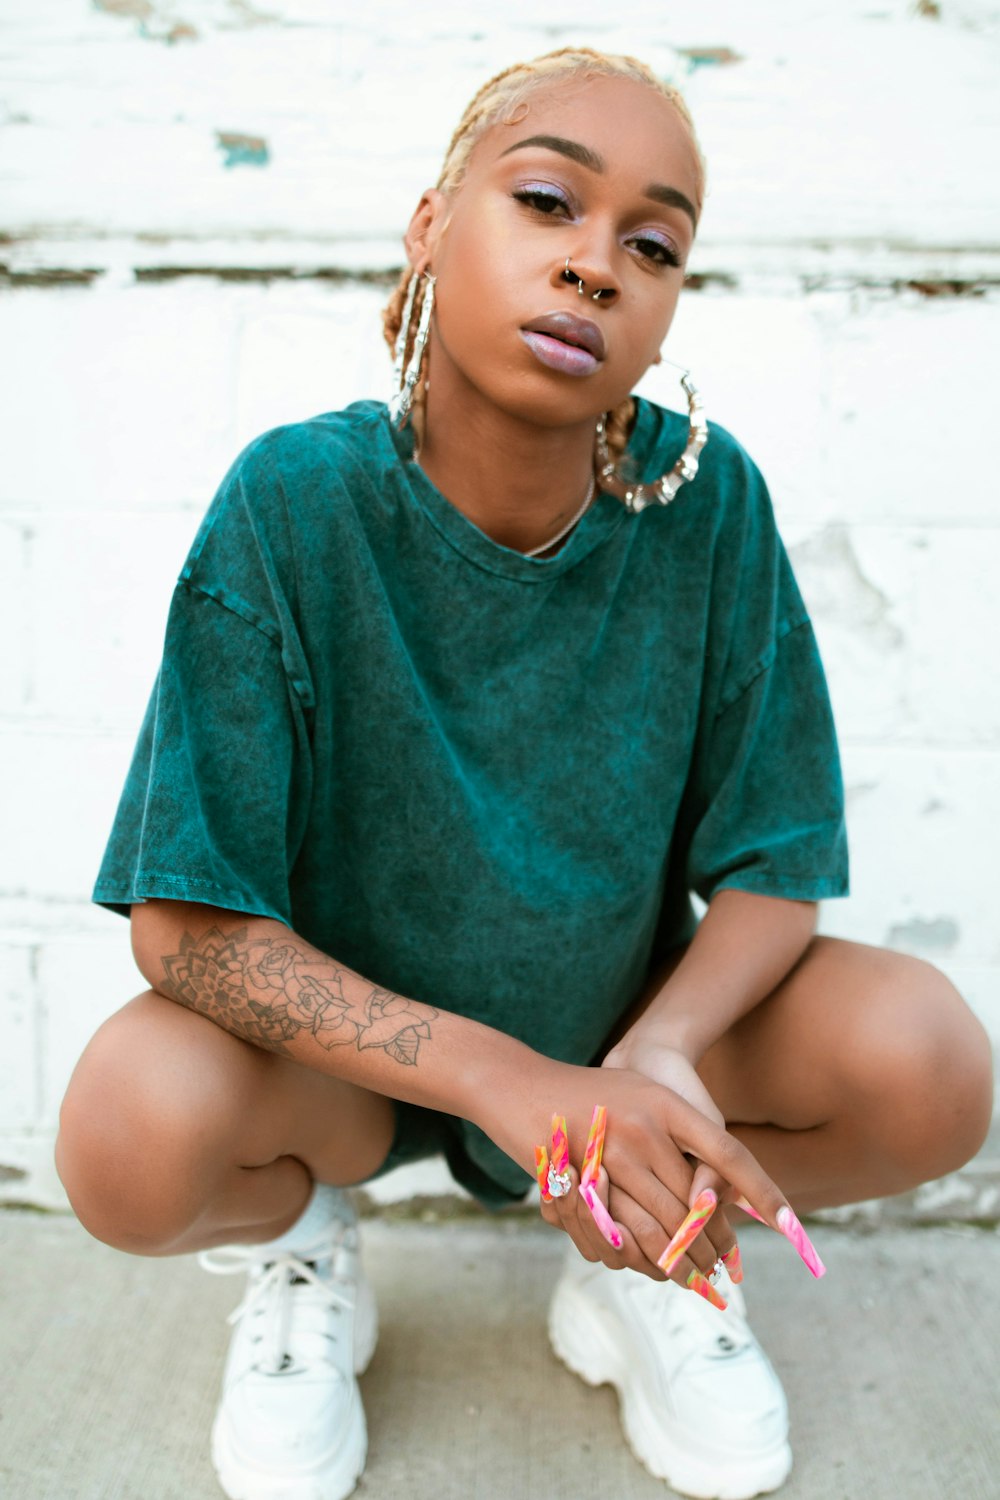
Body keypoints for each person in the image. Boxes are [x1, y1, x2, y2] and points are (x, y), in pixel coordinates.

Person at [55, 46, 992, 1500]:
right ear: (432, 222)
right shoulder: (295, 506)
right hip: (350, 1070)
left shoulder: (707, 499)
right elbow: (187, 928)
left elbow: (774, 865)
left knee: (928, 1062)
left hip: (615, 1031)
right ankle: (308, 1251)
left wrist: (651, 1070)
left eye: (653, 242)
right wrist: (503, 1083)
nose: (596, 267)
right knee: (124, 1135)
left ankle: (640, 1239)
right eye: (549, 200)